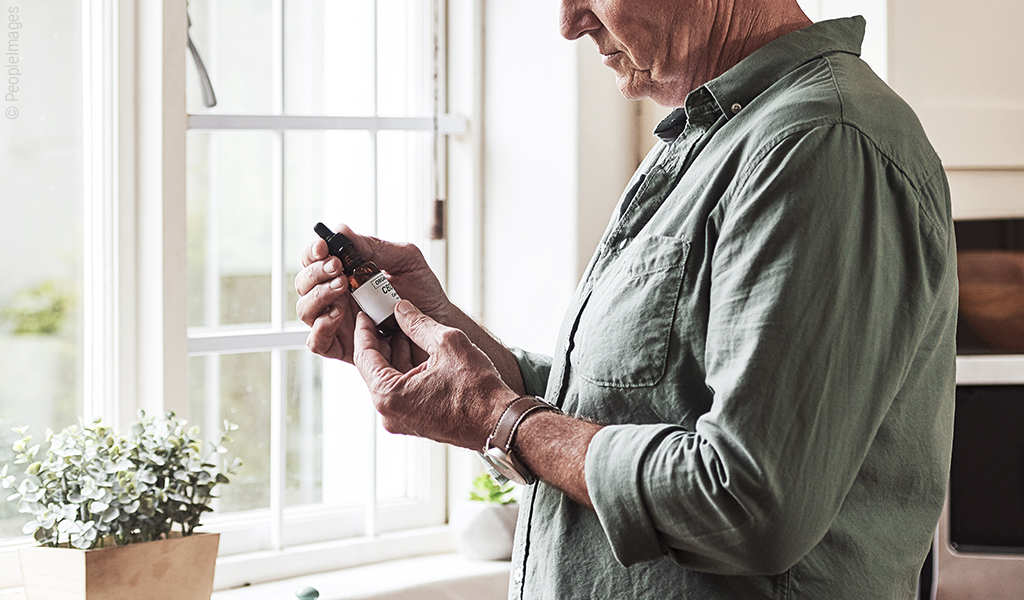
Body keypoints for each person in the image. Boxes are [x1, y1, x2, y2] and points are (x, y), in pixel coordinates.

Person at [295, 0, 957, 597]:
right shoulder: (716, 136)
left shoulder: (818, 146)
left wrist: (503, 420)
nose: (569, 22)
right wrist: (451, 343)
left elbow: (749, 503)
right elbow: (630, 409)